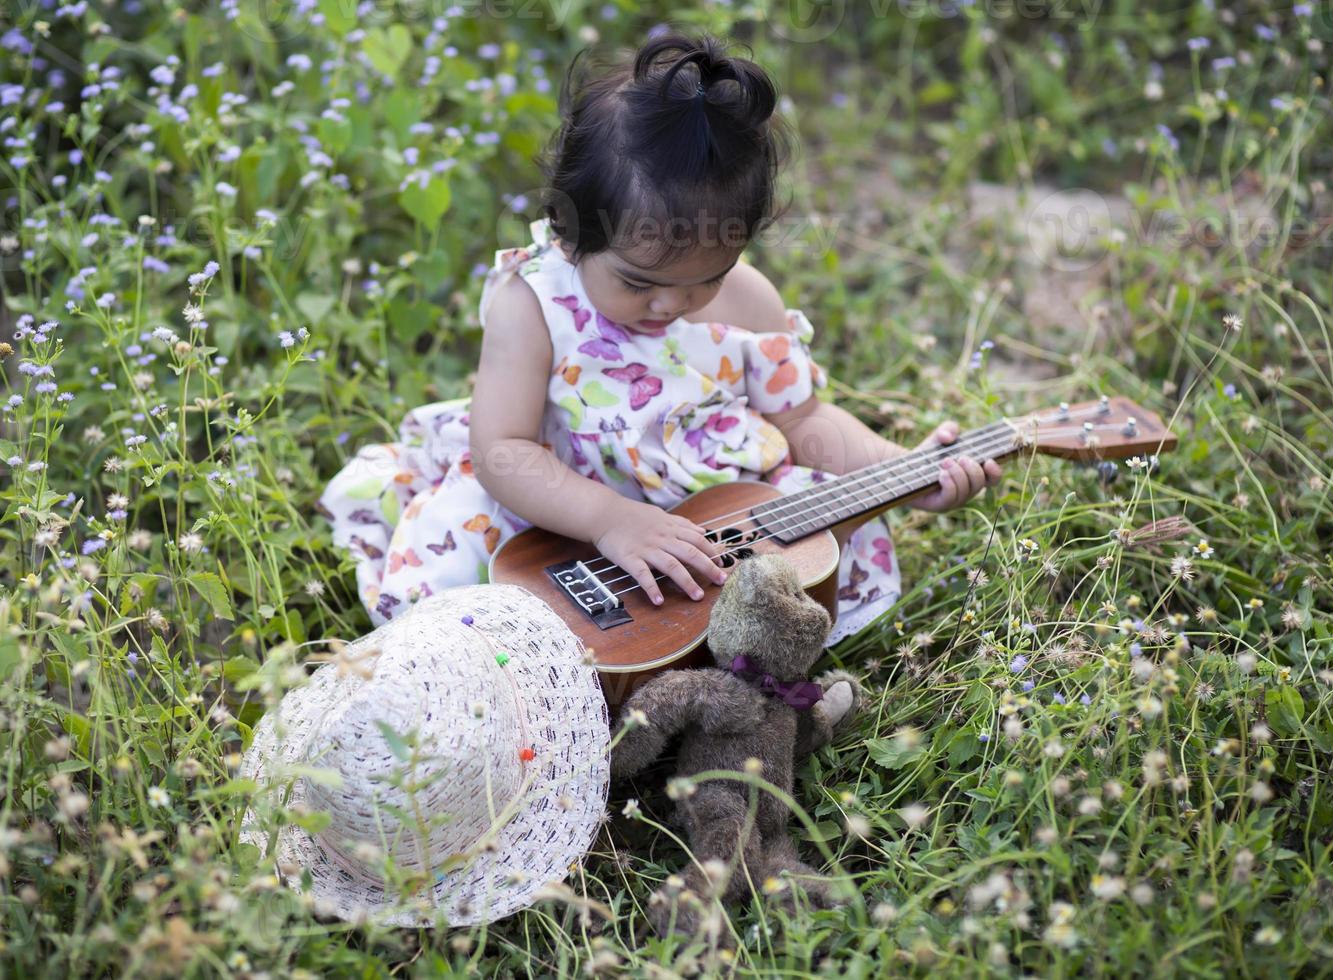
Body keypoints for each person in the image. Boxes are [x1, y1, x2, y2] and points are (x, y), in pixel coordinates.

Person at [319, 31, 1000, 646]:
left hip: (716, 521)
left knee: (812, 544)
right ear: (568, 232)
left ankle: (719, 668)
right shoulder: (534, 303)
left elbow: (803, 421)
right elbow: (503, 450)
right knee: (465, 589)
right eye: (639, 282)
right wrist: (613, 519)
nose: (671, 303)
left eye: (705, 279)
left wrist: (902, 472)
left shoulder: (747, 300)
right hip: (561, 513)